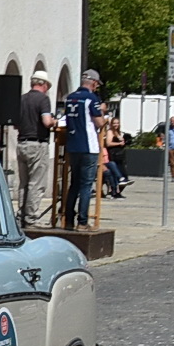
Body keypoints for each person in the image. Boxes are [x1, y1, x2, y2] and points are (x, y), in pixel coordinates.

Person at [64, 69, 105, 230]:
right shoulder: (90, 98)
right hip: (89, 146)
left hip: (73, 145)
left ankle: (68, 219)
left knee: (73, 183)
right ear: (93, 82)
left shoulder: (70, 98)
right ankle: (82, 221)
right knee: (86, 185)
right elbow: (99, 122)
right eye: (96, 84)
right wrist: (102, 113)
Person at [15, 70, 55, 226]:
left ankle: (20, 216)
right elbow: (46, 121)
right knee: (36, 183)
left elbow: (16, 124)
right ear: (43, 85)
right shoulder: (43, 99)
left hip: (22, 143)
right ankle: (31, 218)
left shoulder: (22, 99)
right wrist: (54, 122)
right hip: (37, 144)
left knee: (23, 183)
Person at [102, 117, 131, 198]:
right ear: (111, 124)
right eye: (114, 123)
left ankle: (117, 192)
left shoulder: (119, 132)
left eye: (117, 123)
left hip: (120, 156)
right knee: (115, 175)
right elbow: (108, 143)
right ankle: (114, 192)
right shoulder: (110, 132)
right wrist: (119, 144)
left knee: (124, 176)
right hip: (113, 155)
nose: (116, 125)